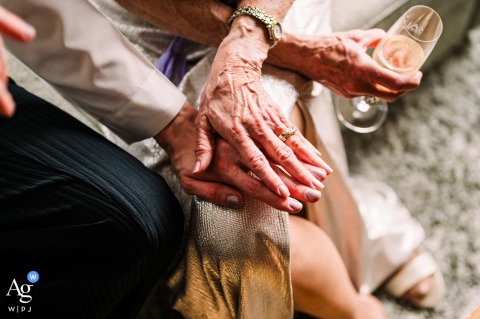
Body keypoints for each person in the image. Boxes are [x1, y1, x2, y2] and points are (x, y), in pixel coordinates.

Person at [98, 0, 445, 316]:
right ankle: (354, 308)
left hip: (271, 7)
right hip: (144, 21)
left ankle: (355, 254)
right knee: (232, 198)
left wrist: (251, 43)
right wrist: (291, 51)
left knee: (261, 164)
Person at [0, 1, 332, 318]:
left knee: (252, 182)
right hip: (148, 21)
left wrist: (252, 41)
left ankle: (358, 309)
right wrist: (175, 123)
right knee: (227, 212)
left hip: (270, 15)